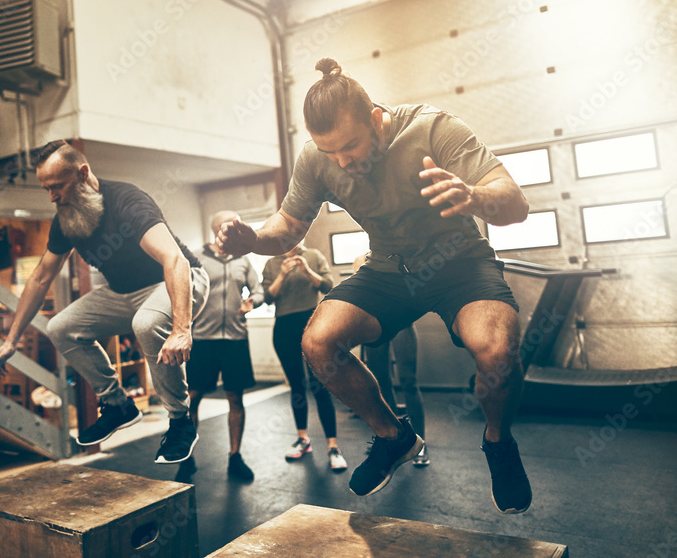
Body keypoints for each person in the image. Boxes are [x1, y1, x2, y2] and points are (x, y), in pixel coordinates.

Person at [217, 58, 532, 513]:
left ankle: (499, 443)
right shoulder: (317, 159)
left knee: (498, 351)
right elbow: (287, 225)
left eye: (350, 145)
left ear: (377, 119)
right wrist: (253, 238)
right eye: (330, 152)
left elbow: (515, 202)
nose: (342, 161)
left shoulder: (434, 128)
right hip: (389, 267)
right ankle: (393, 436)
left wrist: (474, 196)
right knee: (319, 342)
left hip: (460, 264)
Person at [0, 140, 208, 464]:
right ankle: (117, 404)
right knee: (60, 326)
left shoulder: (127, 201)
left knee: (146, 323)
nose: (52, 196)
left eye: (57, 186)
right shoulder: (66, 219)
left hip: (178, 280)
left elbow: (174, 259)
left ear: (83, 173)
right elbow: (40, 277)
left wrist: (181, 329)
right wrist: (11, 340)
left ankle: (180, 421)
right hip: (124, 293)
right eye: (45, 189)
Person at [182, 210, 265, 482]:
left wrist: (253, 301)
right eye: (230, 228)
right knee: (192, 398)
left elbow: (258, 290)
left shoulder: (243, 260)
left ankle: (235, 457)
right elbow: (180, 292)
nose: (236, 232)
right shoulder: (194, 258)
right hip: (203, 339)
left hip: (235, 340)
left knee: (235, 398)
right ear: (217, 230)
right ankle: (187, 456)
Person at [263, 242, 348, 473]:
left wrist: (306, 269)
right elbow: (268, 298)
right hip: (283, 327)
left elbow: (328, 285)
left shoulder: (313, 255)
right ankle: (303, 439)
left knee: (319, 384)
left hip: (311, 324)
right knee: (296, 387)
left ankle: (333, 447)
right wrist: (282, 274)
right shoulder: (272, 263)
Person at [353, 253, 429, 467]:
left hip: (402, 323)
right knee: (379, 383)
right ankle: (395, 440)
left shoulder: (401, 256)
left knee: (409, 382)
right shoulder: (361, 260)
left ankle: (420, 444)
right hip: (374, 325)